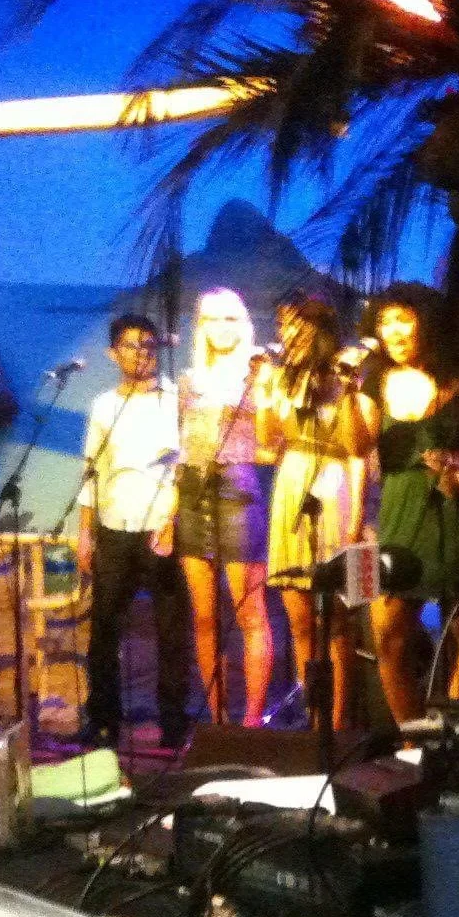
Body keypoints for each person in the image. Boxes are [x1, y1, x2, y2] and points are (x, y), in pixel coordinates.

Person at [259, 296, 374, 732]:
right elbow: (268, 441)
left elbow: (359, 450)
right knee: (300, 618)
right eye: (283, 325)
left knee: (338, 621)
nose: (289, 333)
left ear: (320, 330)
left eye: (298, 325)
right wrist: (265, 393)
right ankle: (314, 719)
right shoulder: (283, 380)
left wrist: (356, 519)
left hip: (336, 485)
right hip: (293, 483)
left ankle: (339, 724)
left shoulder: (345, 375)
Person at [76, 313, 188, 752]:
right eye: (130, 345)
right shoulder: (104, 405)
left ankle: (173, 722)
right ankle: (103, 720)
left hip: (161, 526)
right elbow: (92, 471)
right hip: (115, 526)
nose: (140, 353)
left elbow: (185, 469)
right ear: (112, 353)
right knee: (104, 628)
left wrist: (172, 520)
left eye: (148, 345)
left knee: (171, 629)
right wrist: (85, 533)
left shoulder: (175, 400)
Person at [361, 287, 459, 721]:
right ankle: (411, 736)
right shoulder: (373, 382)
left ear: (426, 323)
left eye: (403, 319)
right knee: (388, 635)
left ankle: (445, 733)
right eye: (385, 322)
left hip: (453, 510)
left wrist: (457, 462)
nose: (393, 331)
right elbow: (354, 445)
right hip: (395, 512)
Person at [176, 288, 274, 727]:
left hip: (240, 488)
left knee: (249, 612)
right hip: (192, 491)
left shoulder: (261, 375)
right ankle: (216, 719)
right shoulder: (189, 380)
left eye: (230, 318)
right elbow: (181, 447)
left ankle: (252, 722)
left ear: (245, 323)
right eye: (212, 319)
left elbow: (273, 441)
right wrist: (169, 511)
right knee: (203, 616)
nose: (221, 327)